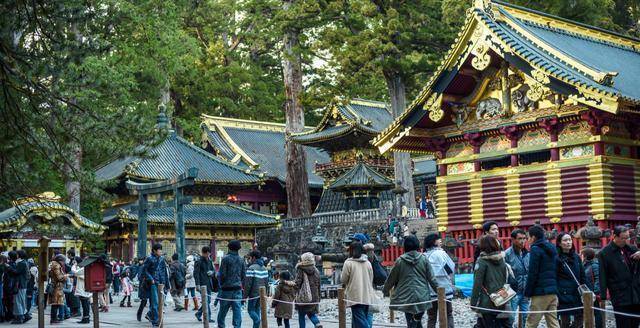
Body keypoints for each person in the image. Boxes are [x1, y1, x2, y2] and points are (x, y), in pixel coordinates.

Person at [383, 235, 438, 328]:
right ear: (417, 245)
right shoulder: (424, 259)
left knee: (411, 322)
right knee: (417, 320)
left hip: (406, 296)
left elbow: (391, 279)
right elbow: (432, 278)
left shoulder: (400, 261)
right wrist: (439, 292)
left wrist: (385, 290)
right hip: (422, 296)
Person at [598, 225, 640, 328]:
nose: (626, 240)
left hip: (636, 293)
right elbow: (603, 275)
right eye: (623, 238)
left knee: (635, 323)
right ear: (614, 236)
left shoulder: (633, 249)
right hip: (619, 295)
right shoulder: (605, 253)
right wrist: (603, 296)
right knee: (623, 324)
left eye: (628, 237)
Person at [470, 235, 511, 327]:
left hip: (487, 301)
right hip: (501, 298)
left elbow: (477, 283)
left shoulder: (482, 261)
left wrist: (473, 303)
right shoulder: (502, 260)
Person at [524, 225, 560, 328]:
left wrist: (528, 292)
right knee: (553, 322)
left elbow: (533, 272)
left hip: (540, 291)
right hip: (552, 290)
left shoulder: (535, 249)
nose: (528, 240)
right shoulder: (552, 248)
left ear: (533, 237)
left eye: (528, 237)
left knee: (531, 323)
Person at [423, 233, 455, 328]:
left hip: (430, 289)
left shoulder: (424, 255)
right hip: (444, 288)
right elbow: (450, 269)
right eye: (438, 239)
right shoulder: (441, 253)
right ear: (433, 242)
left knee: (431, 317)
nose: (440, 240)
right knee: (448, 314)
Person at [342, 241, 375, 328]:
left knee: (359, 320)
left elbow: (343, 279)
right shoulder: (368, 263)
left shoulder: (348, 263)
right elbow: (371, 278)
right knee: (359, 319)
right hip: (366, 294)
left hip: (355, 295)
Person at [555, 232, 585, 328]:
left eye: (570, 240)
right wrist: (556, 294)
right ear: (559, 243)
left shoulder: (576, 257)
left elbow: (582, 275)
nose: (568, 242)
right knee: (565, 321)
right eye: (565, 240)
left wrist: (588, 290)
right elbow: (554, 277)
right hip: (563, 293)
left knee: (580, 320)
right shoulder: (556, 258)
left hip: (576, 293)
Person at [504, 228, 530, 327]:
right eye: (519, 238)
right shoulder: (507, 254)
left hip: (525, 292)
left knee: (526, 317)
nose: (522, 241)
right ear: (513, 239)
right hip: (512, 292)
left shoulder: (528, 254)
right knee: (510, 318)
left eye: (524, 238)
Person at [217, 240, 245, 328]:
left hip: (226, 290)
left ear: (229, 248)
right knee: (237, 311)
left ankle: (221, 326)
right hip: (237, 289)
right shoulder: (241, 260)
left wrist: (221, 284)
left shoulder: (225, 259)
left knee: (222, 312)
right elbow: (243, 275)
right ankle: (237, 326)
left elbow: (222, 275)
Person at [142, 243, 168, 328]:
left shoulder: (162, 259)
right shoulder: (149, 259)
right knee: (155, 303)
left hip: (161, 283)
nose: (161, 251)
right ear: (154, 251)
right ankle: (156, 321)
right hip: (153, 283)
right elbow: (144, 270)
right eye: (159, 250)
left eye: (161, 250)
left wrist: (166, 283)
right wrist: (151, 279)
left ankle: (151, 315)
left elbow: (164, 272)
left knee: (161, 302)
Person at [295, 252, 322, 328]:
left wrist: (294, 291)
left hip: (304, 296)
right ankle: (317, 324)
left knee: (301, 315)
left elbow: (298, 283)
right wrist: (319, 297)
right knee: (311, 313)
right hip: (314, 296)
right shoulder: (316, 270)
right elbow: (319, 285)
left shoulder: (301, 269)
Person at [245, 250, 268, 328]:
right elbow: (266, 283)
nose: (250, 259)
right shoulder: (264, 268)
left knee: (250, 310)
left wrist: (245, 296)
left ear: (254, 258)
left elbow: (248, 284)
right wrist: (266, 294)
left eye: (250, 257)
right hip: (261, 294)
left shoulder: (251, 268)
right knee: (257, 309)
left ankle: (258, 321)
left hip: (253, 294)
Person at [194, 246, 218, 323]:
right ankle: (208, 317)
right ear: (204, 253)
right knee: (206, 301)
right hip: (202, 284)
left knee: (207, 301)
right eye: (207, 254)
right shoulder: (199, 261)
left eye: (209, 254)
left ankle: (198, 313)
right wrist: (197, 284)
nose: (208, 255)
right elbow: (196, 273)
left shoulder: (209, 261)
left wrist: (212, 272)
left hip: (209, 283)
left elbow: (213, 270)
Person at [581, 247, 603, 328]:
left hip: (593, 293)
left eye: (582, 254)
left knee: (597, 312)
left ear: (585, 256)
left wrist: (596, 292)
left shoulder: (594, 265)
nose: (581, 256)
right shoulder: (584, 265)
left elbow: (598, 279)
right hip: (587, 292)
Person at [48, 254, 68, 325]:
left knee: (55, 303)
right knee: (56, 303)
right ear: (60, 260)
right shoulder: (57, 266)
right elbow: (60, 277)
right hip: (57, 287)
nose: (64, 263)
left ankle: (54, 319)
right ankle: (53, 319)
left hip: (55, 286)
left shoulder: (53, 264)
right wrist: (66, 276)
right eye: (63, 261)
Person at [73, 256, 92, 324]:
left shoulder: (85, 268)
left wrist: (74, 264)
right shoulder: (88, 267)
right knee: (85, 304)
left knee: (85, 304)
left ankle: (86, 318)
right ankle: (86, 318)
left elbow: (75, 272)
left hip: (83, 289)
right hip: (85, 288)